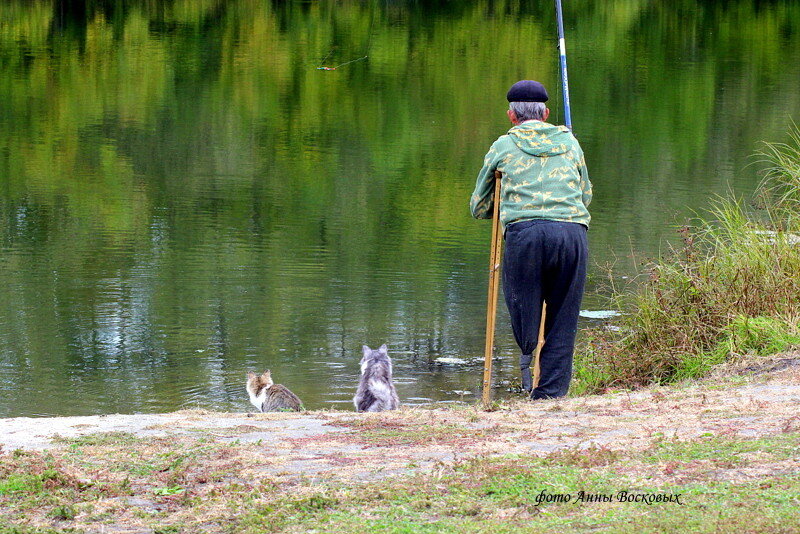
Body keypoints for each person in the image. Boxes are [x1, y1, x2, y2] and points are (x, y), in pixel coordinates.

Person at [470, 80, 592, 400]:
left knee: (525, 307)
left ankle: (526, 361)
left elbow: (479, 207)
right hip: (571, 232)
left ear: (512, 116)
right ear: (546, 113)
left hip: (525, 235)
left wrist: (509, 206)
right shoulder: (570, 142)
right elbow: (586, 194)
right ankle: (549, 395)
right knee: (563, 317)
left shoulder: (503, 145)